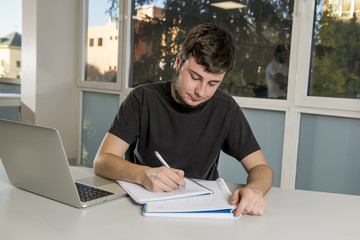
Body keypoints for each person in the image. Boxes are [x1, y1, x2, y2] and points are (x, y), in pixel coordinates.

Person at [94, 23, 274, 217]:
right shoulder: (142, 98)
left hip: (205, 210)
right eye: (195, 77)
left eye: (213, 83)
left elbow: (261, 168)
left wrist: (255, 190)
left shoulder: (225, 108)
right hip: (147, 207)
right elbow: (102, 161)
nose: (201, 91)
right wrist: (142, 174)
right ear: (179, 61)